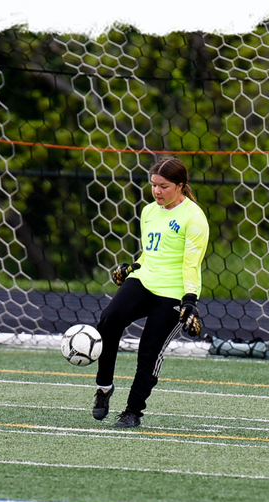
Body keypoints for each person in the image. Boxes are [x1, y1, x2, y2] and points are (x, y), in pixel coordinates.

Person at [91, 156, 210, 428]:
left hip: (173, 292)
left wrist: (189, 301)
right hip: (144, 280)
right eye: (154, 185)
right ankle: (104, 388)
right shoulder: (148, 212)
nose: (157, 191)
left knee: (149, 351)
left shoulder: (194, 218)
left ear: (180, 186)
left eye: (163, 186)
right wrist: (132, 267)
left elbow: (191, 264)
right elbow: (149, 254)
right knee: (109, 320)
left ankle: (132, 412)